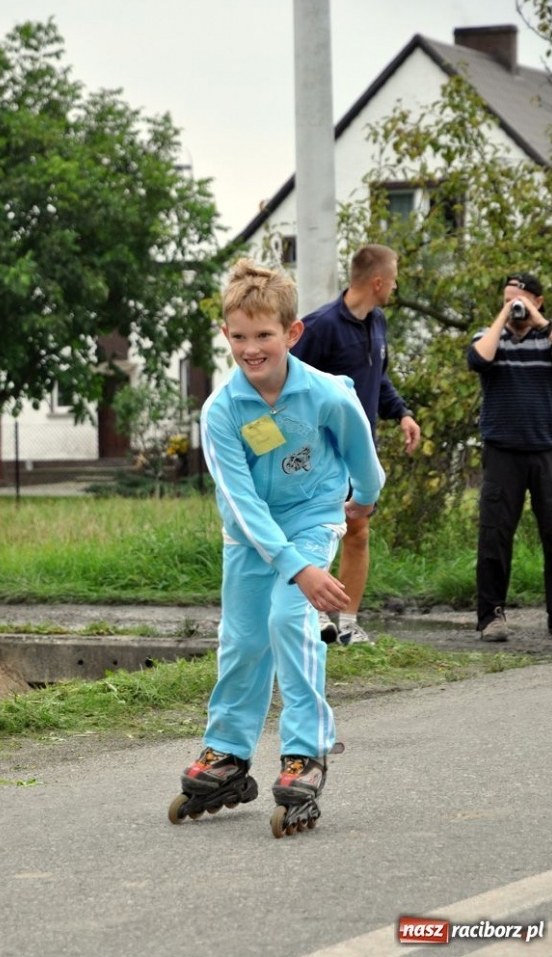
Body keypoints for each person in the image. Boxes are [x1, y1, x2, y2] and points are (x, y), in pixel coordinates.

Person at [171, 258, 385, 827]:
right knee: (241, 639)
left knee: (290, 619)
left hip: (313, 517)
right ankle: (228, 752)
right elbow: (240, 502)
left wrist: (362, 499)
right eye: (238, 336)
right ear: (225, 336)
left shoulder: (324, 394)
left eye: (263, 335)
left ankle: (305, 751)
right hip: (249, 533)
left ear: (291, 334)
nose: (251, 348)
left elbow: (364, 456)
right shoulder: (221, 412)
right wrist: (295, 566)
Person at [291, 244, 420, 645]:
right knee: (314, 531)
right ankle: (308, 619)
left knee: (357, 531)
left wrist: (401, 413)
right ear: (377, 281)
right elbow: (288, 380)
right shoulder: (321, 326)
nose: (395, 285)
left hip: (358, 451)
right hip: (317, 455)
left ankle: (346, 625)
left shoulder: (377, 322)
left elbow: (377, 377)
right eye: (394, 277)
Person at [467, 271, 552, 641]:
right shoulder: (489, 335)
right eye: (506, 298)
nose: (513, 304)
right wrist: (504, 317)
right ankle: (491, 616)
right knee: (495, 534)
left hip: (548, 448)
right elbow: (479, 359)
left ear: (537, 300)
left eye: (519, 298)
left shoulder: (548, 338)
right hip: (502, 449)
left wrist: (540, 321)